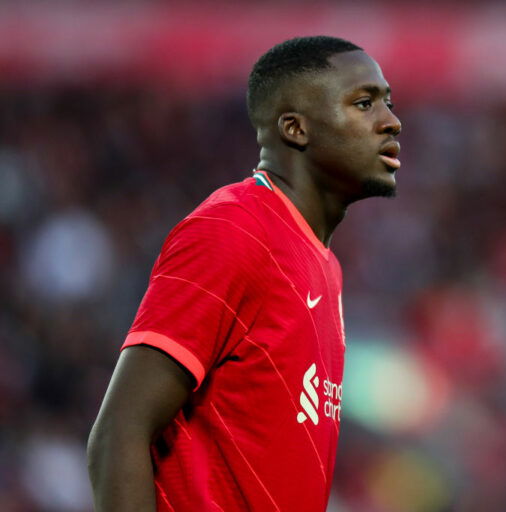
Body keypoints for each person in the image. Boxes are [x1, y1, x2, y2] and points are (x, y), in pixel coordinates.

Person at [87, 35, 402, 511]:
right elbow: (118, 432)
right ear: (295, 128)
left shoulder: (320, 262)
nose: (391, 121)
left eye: (388, 103)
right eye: (364, 103)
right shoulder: (234, 230)